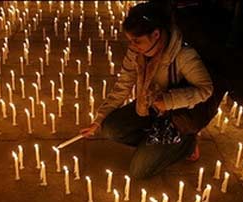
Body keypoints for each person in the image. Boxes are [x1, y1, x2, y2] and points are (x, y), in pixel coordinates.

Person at [80, 0, 214, 179]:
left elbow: (206, 89)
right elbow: (123, 85)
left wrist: (169, 100)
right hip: (148, 109)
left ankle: (185, 143)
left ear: (156, 34)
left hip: (175, 118)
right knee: (110, 128)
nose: (133, 45)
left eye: (137, 40)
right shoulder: (137, 52)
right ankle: (155, 144)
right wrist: (98, 119)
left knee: (139, 171)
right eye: (130, 40)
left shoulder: (183, 55)